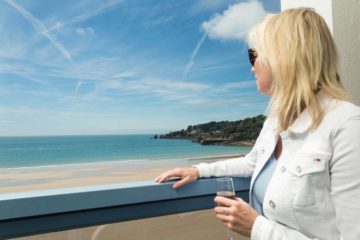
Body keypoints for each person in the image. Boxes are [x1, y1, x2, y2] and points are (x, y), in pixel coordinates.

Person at [155, 7, 360, 240]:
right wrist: (198, 170)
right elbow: (252, 163)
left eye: (253, 55)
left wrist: (256, 227)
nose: (251, 67)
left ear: (283, 57)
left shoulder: (348, 126)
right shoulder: (276, 121)